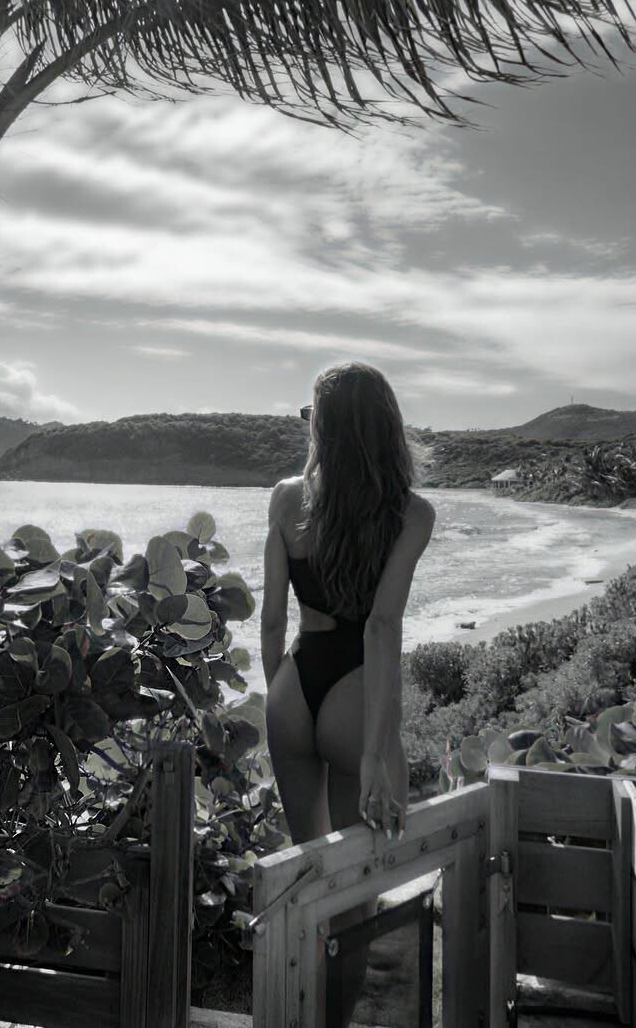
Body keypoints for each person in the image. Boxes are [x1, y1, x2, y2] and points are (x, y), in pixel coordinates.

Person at [261, 363, 434, 1020]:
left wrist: (279, 695)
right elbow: (381, 626)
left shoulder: (285, 498)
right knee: (355, 894)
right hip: (354, 696)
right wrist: (373, 753)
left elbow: (272, 620)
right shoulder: (411, 514)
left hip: (293, 687)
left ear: (324, 429)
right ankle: (332, 1019)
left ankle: (295, 1012)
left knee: (307, 871)